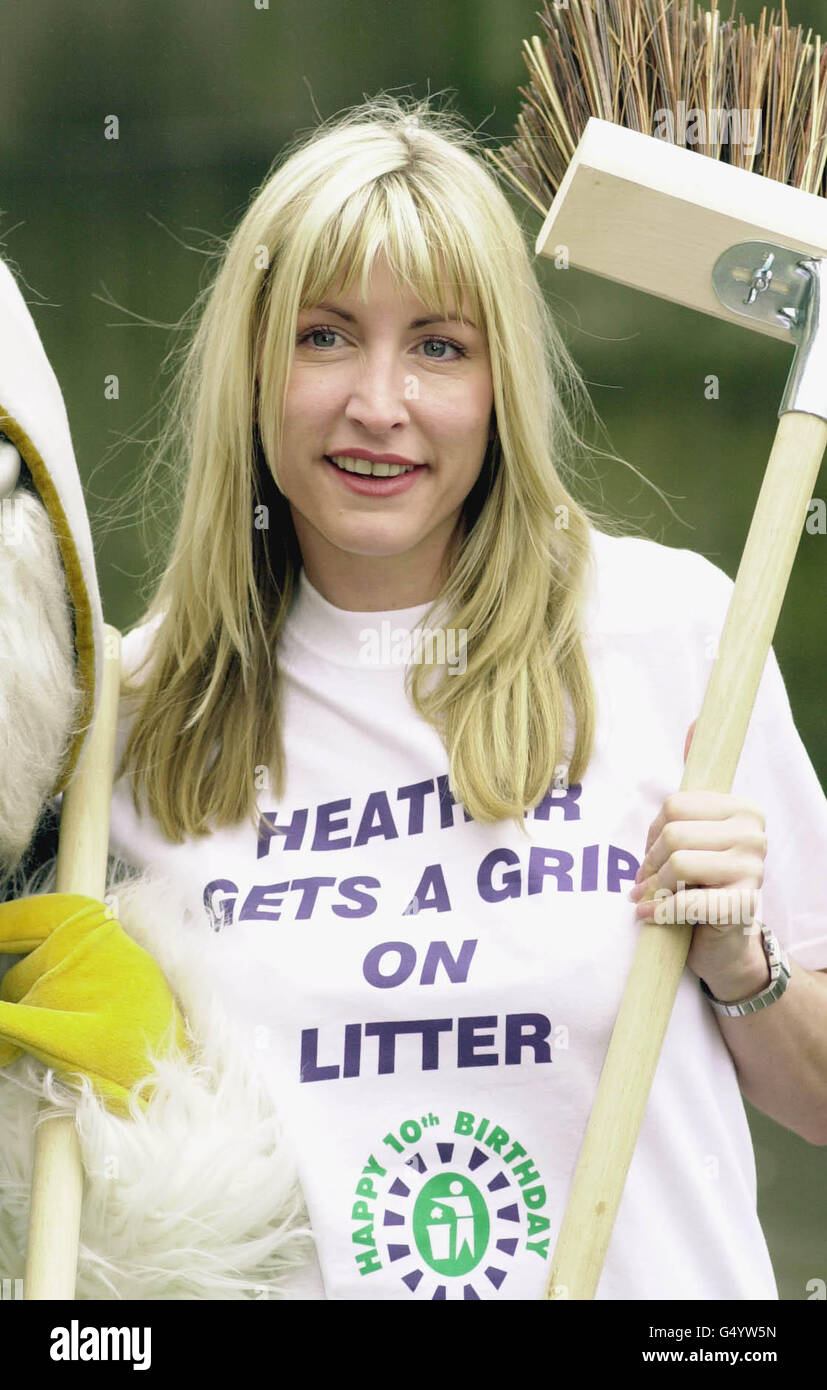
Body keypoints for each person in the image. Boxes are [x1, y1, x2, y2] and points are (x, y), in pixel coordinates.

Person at [3, 93, 827, 1301]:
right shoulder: (132, 715)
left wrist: (740, 966)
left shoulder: (675, 630)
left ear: (500, 388)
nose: (377, 405)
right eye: (324, 336)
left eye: (438, 346)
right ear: (251, 365)